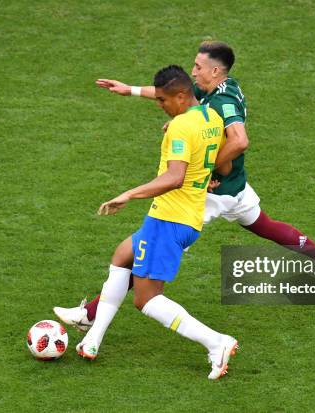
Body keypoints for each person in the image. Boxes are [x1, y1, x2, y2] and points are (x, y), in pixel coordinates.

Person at [55, 40, 315, 331]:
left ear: (215, 71)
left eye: (198, 66)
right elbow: (174, 91)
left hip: (210, 192)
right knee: (267, 225)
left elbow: (240, 140)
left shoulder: (223, 101)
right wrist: (129, 90)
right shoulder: (216, 87)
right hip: (236, 186)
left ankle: (90, 314)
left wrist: (203, 168)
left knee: (144, 247)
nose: (193, 71)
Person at [74, 65, 237, 380]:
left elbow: (174, 178)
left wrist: (128, 194)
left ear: (180, 96)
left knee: (146, 299)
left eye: (162, 100)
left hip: (168, 219)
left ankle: (217, 342)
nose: (159, 105)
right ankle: (92, 339)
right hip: (187, 218)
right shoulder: (212, 119)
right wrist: (201, 176)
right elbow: (225, 166)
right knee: (123, 255)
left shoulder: (180, 127)